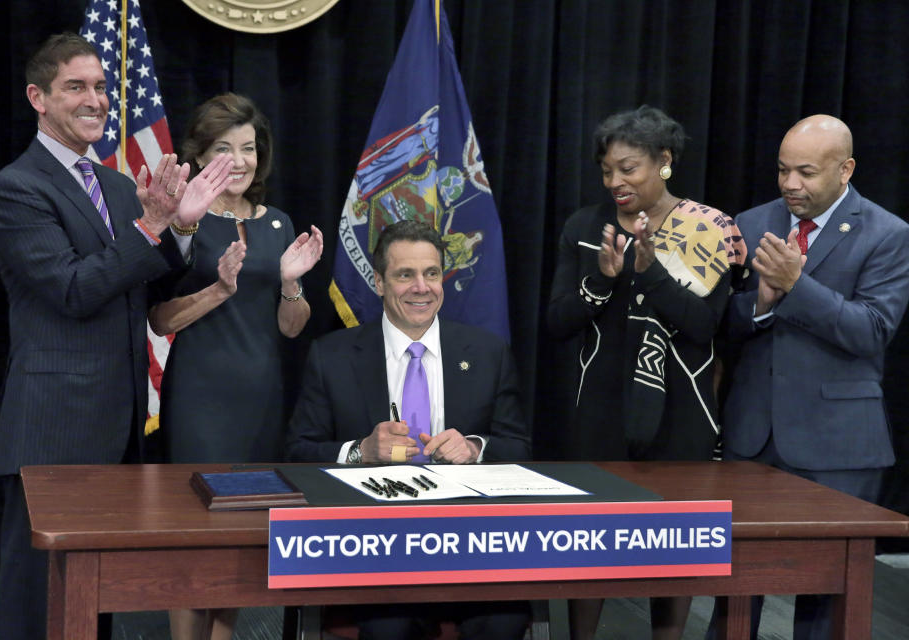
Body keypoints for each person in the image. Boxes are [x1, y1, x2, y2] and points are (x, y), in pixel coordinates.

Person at [0, 33, 233, 640]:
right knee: (40, 597)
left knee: (97, 599)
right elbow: (72, 289)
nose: (95, 99)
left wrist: (181, 231)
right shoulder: (17, 188)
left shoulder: (119, 187)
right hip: (54, 425)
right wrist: (152, 227)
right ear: (37, 97)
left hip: (120, 422)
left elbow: (141, 287)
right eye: (76, 87)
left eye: (100, 87)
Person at [545, 106, 745, 640]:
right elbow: (559, 321)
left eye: (628, 168)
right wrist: (603, 282)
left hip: (682, 415)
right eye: (608, 170)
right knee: (591, 549)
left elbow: (703, 326)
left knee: (673, 549)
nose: (616, 182)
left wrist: (650, 272)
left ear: (664, 162)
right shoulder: (587, 227)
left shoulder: (710, 228)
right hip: (602, 413)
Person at [708, 114, 909, 639]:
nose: (790, 184)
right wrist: (760, 304)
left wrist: (797, 286)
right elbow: (717, 327)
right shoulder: (750, 224)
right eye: (782, 171)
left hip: (837, 445)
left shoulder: (887, 234)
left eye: (806, 172)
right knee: (731, 596)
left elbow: (872, 330)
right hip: (752, 436)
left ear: (845, 170)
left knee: (824, 603)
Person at [286, 220, 531, 640]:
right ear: (379, 282)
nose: (422, 287)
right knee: (388, 627)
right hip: (375, 548)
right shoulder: (333, 356)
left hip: (469, 545)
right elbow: (297, 453)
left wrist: (475, 447)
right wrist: (360, 451)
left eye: (432, 274)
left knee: (503, 621)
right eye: (405, 275)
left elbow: (519, 446)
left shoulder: (488, 353)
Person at [148, 92, 323, 640]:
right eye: (226, 148)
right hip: (201, 398)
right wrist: (220, 290)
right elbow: (159, 318)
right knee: (195, 534)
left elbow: (290, 328)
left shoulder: (278, 223)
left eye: (249, 148)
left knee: (245, 537)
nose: (241, 160)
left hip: (263, 397)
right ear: (200, 156)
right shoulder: (187, 222)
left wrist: (292, 284)